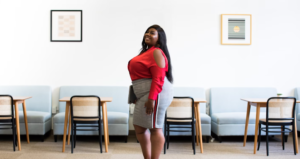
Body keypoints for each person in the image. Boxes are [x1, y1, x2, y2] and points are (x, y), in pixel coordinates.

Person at [128, 24, 173, 159]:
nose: (147, 34)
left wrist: (152, 99)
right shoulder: (147, 52)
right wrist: (136, 95)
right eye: (146, 32)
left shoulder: (156, 52)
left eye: (152, 33)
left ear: (159, 39)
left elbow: (158, 78)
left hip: (155, 93)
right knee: (139, 126)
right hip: (144, 93)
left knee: (155, 127)